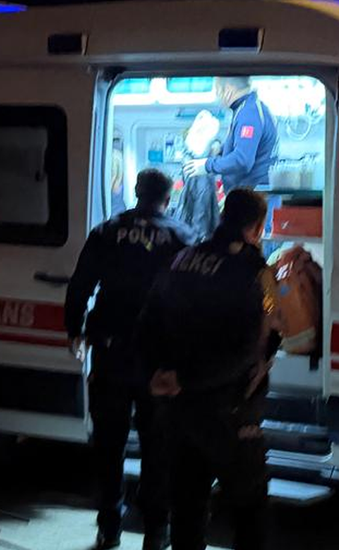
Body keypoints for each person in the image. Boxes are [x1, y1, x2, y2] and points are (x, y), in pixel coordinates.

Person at [140, 189, 280, 550]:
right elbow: (254, 346)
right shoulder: (255, 272)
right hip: (230, 411)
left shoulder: (182, 258)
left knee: (187, 507)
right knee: (250, 510)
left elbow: (148, 322)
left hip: (178, 409)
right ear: (257, 227)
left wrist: (160, 374)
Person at [65, 169, 195, 550]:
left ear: (137, 192)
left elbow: (80, 284)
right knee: (158, 448)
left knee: (109, 445)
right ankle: (156, 532)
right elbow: (192, 299)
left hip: (111, 353)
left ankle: (109, 527)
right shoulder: (183, 236)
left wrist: (74, 329)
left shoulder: (107, 231)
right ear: (168, 198)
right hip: (159, 359)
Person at [184, 77, 279, 190]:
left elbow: (242, 160)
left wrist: (207, 165)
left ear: (228, 90)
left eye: (218, 91)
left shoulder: (249, 114)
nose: (218, 97)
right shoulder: (247, 108)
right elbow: (243, 146)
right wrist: (220, 150)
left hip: (252, 194)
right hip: (247, 192)